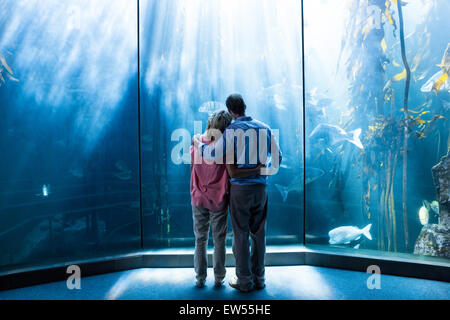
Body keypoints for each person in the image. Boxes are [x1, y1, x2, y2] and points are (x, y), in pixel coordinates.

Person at [193, 94, 282, 292]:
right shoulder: (264, 128)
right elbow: (278, 158)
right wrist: (262, 171)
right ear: (245, 106)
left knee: (241, 234)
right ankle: (260, 278)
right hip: (261, 189)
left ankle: (244, 280)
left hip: (240, 190)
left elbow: (212, 154)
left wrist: (197, 142)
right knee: (259, 234)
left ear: (231, 111)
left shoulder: (231, 131)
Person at [190, 110, 262, 288]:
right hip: (218, 199)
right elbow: (231, 173)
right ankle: (218, 277)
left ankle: (199, 277)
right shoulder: (223, 149)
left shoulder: (196, 143)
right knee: (219, 239)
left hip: (198, 197)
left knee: (200, 238)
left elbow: (192, 169)